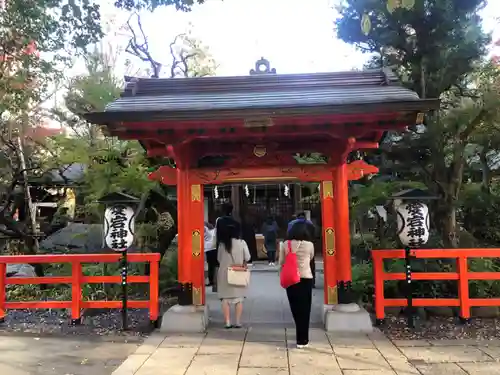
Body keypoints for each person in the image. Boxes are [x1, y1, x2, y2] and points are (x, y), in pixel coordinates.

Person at [279, 221, 315, 348]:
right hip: (306, 278)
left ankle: (299, 334)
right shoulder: (309, 245)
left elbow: (281, 262)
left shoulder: (285, 244)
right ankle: (303, 339)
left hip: (291, 279)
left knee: (295, 308)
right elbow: (311, 258)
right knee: (305, 309)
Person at [217, 221, 251, 329]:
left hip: (224, 273)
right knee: (238, 299)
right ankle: (237, 322)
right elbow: (248, 257)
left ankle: (227, 322)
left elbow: (219, 258)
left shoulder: (222, 245)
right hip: (238, 272)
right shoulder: (242, 243)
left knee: (225, 299)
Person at [287, 212, 316, 287]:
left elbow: (288, 235)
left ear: (297, 217)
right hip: (308, 245)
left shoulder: (292, 223)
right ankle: (311, 282)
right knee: (310, 263)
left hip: (294, 246)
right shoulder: (310, 223)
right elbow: (314, 234)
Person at [204, 222, 217, 286]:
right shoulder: (214, 230)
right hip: (214, 248)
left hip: (208, 249)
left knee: (210, 266)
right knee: (215, 265)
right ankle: (215, 281)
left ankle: (211, 281)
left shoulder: (205, 228)